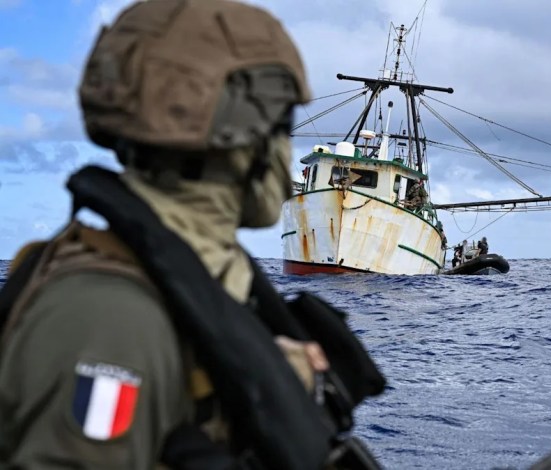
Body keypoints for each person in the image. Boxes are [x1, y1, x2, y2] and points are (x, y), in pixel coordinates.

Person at [0, 1, 384, 468]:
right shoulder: (112, 320)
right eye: (282, 126)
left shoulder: (208, 279)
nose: (288, 153)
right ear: (239, 137)